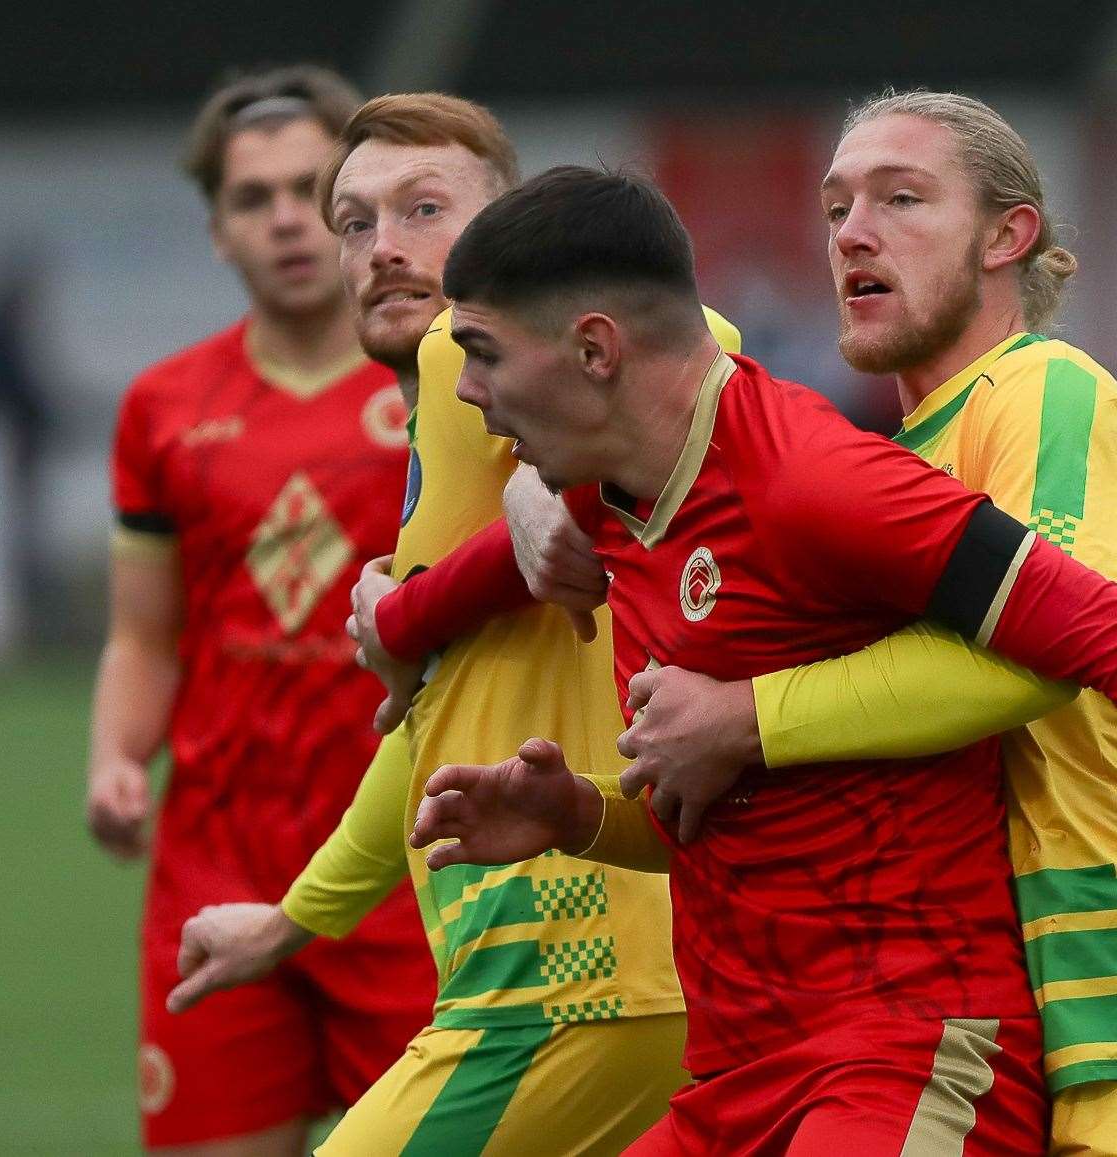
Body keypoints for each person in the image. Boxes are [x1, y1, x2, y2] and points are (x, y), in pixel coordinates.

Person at [406, 166, 1117, 1153]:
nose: (465, 390)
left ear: (595, 349)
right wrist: (573, 814)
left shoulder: (818, 480)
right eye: (835, 205)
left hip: (900, 1055)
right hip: (735, 1081)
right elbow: (755, 805)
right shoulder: (617, 501)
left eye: (485, 352)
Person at [164, 93, 742, 1155]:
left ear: (514, 235)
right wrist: (297, 917)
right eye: (357, 222)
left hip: (567, 981)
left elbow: (701, 330)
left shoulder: (468, 356)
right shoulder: (481, 413)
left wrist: (540, 492)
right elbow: (430, 733)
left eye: (424, 210)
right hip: (626, 982)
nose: (383, 249)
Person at [88, 66, 435, 1155]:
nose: (286, 218)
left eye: (311, 189)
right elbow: (145, 634)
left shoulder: (453, 384)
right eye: (253, 198)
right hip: (216, 863)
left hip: (409, 864)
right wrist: (115, 754)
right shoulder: (163, 406)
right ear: (217, 233)